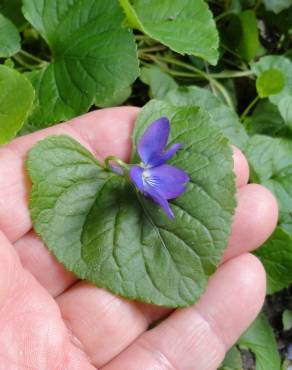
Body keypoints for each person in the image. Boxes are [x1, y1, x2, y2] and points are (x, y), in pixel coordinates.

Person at [0, 107, 278, 370]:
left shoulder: (138, 173)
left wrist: (140, 178)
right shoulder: (136, 174)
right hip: (141, 171)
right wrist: (136, 178)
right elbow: (142, 174)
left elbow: (157, 168)